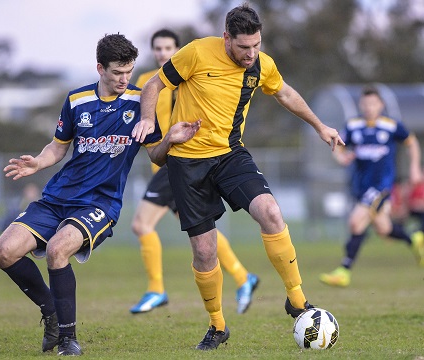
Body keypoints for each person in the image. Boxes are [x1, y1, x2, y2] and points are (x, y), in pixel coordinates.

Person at [132, 3, 344, 351]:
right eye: (244, 46)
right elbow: (153, 85)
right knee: (204, 252)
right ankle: (217, 325)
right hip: (185, 163)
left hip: (230, 155)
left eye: (256, 45)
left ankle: (297, 300)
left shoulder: (261, 64)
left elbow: (286, 93)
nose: (251, 54)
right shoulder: (197, 52)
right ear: (226, 37)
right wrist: (147, 121)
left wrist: (320, 126)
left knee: (272, 213)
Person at [0, 33, 201, 356]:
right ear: (100, 68)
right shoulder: (77, 101)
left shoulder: (138, 102)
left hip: (100, 203)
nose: (124, 79)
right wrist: (38, 161)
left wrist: (171, 139)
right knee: (4, 251)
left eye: (128, 72)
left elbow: (156, 157)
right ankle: (51, 311)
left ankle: (67, 338)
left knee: (58, 250)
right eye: (117, 72)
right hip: (57, 198)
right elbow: (57, 147)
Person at [130, 29, 259, 315]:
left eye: (169, 48)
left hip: (181, 162)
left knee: (141, 225)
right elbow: (136, 111)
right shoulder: (147, 82)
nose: (163, 54)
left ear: (178, 51)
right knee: (204, 234)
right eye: (158, 49)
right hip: (163, 162)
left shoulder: (184, 76)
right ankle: (242, 276)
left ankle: (156, 289)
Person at [320, 85, 423, 287]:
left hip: (381, 186)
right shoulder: (353, 126)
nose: (369, 107)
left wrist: (414, 168)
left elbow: (411, 143)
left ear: (381, 105)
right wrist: (341, 157)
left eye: (373, 103)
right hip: (361, 186)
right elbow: (337, 145)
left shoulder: (391, 125)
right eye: (365, 103)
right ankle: (414, 238)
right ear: (361, 104)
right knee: (384, 229)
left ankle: (344, 271)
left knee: (355, 221)